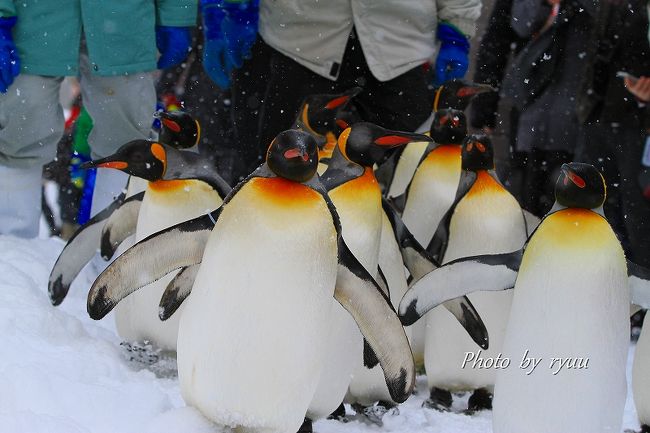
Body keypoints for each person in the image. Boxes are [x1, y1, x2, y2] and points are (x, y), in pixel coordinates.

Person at [199, 0, 482, 180]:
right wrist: (229, 9)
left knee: (407, 176)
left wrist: (457, 27)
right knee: (274, 173)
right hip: (296, 40)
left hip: (400, 46)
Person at [0, 1, 197, 238]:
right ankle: (11, 248)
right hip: (31, 17)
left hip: (123, 19)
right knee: (19, 123)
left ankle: (114, 247)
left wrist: (176, 14)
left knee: (127, 137)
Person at [576, 0, 650, 268]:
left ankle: (641, 297)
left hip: (638, 125)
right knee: (597, 210)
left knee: (637, 220)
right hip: (600, 113)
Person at [507, 0, 595, 217]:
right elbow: (520, 23)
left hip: (579, 115)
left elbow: (615, 21)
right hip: (535, 114)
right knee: (528, 208)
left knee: (571, 209)